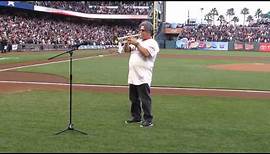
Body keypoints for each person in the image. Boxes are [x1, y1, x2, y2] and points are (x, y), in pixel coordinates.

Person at [123, 20, 160, 127]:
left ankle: (148, 120)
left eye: (143, 30)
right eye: (140, 30)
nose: (140, 32)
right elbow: (127, 51)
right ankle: (136, 117)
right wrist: (126, 42)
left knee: (145, 99)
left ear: (149, 32)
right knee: (133, 98)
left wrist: (137, 43)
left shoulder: (152, 43)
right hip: (133, 75)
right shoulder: (138, 41)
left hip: (143, 76)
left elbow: (146, 54)